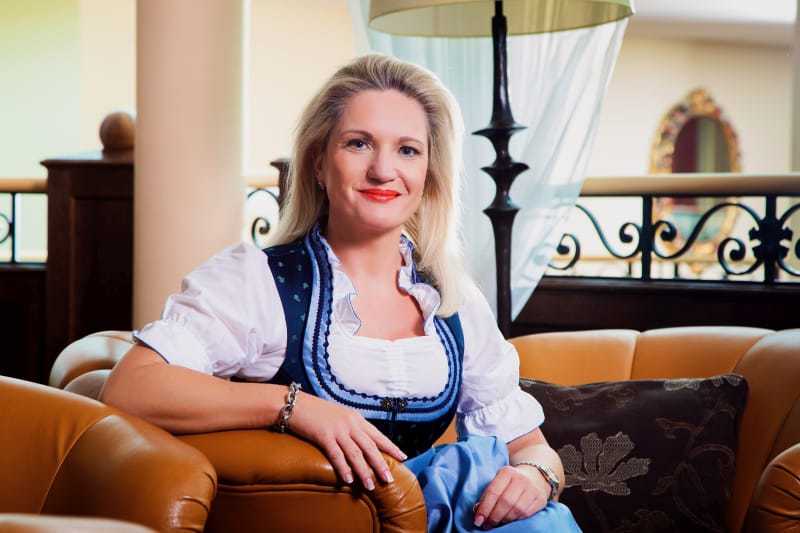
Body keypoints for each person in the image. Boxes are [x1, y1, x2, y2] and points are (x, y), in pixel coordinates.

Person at [101, 54, 580, 532]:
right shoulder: (259, 281)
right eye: (358, 143)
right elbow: (131, 388)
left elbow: (530, 447)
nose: (383, 170)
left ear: (429, 174)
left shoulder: (453, 298)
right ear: (318, 163)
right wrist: (292, 406)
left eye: (408, 150)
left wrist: (535, 477)